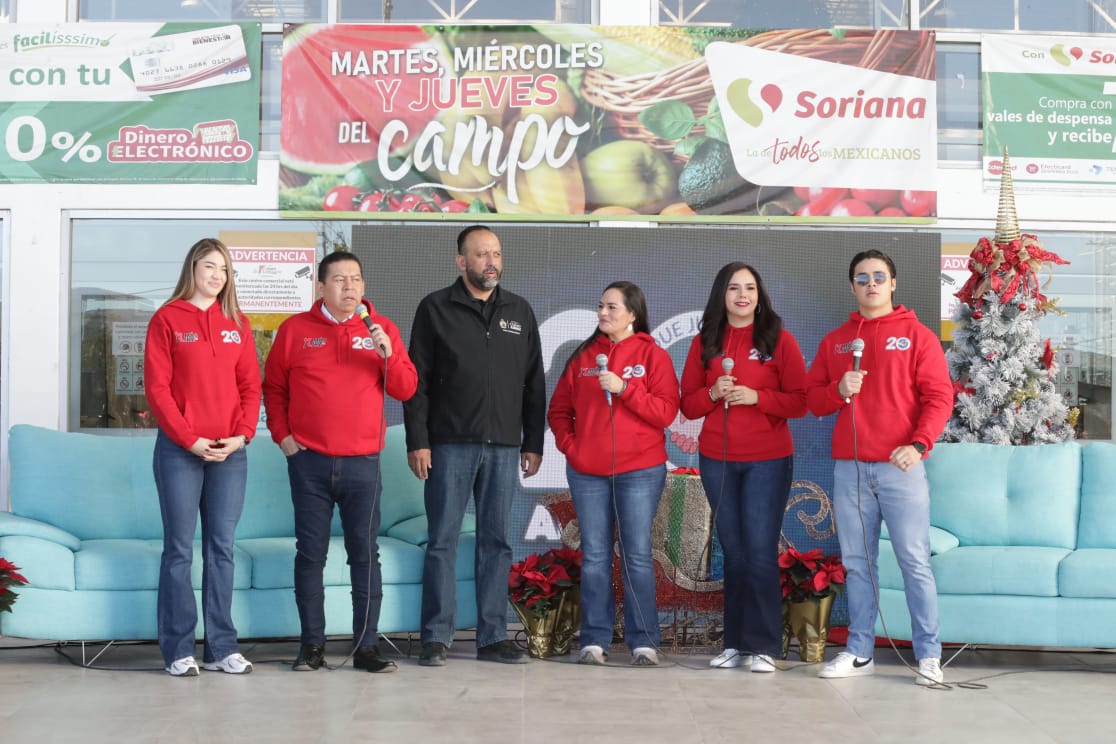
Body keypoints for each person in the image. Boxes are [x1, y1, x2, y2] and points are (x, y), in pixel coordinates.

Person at [263, 251, 417, 674]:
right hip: (309, 462)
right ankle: (311, 646)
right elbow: (273, 388)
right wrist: (282, 436)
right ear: (321, 286)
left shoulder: (381, 329)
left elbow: (406, 389)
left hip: (363, 463)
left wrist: (388, 355)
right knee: (310, 554)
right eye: (339, 280)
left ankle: (366, 647)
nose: (350, 287)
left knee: (364, 555)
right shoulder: (295, 330)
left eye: (356, 279)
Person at [805, 249, 953, 686]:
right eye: (862, 277)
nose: (871, 284)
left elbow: (939, 397)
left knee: (913, 561)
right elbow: (813, 401)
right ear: (852, 286)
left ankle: (929, 655)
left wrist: (919, 444)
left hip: (899, 467)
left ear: (893, 283)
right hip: (850, 469)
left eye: (879, 276)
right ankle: (859, 651)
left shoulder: (917, 336)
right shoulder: (836, 341)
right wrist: (838, 389)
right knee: (857, 563)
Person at [404, 225, 545, 666]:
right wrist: (418, 441)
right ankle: (435, 637)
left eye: (496, 254)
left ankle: (493, 637)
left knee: (496, 542)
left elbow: (534, 382)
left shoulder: (519, 310)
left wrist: (533, 441)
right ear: (461, 261)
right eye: (482, 254)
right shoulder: (434, 308)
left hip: (504, 445)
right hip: (448, 444)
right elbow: (416, 382)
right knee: (442, 541)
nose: (491, 262)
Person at [679, 262, 807, 673]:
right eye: (734, 288)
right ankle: (734, 642)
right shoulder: (706, 342)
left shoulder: (778, 338)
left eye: (750, 287)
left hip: (768, 458)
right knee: (733, 552)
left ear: (759, 294)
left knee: (759, 551)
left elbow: (800, 401)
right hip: (717, 459)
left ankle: (764, 645)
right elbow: (687, 404)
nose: (742, 295)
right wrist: (712, 393)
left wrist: (758, 397)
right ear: (722, 294)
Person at [144, 237, 261, 677]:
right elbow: (157, 389)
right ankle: (178, 650)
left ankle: (220, 648)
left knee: (221, 549)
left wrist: (242, 436)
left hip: (230, 453)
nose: (217, 275)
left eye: (224, 269)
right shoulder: (167, 318)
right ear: (192, 268)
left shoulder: (237, 323)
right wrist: (189, 439)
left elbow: (250, 385)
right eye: (210, 266)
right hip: (181, 452)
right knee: (179, 550)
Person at [547, 281, 680, 666]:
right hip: (588, 472)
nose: (603, 313)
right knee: (594, 556)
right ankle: (594, 640)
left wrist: (624, 388)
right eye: (601, 306)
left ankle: (644, 642)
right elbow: (558, 411)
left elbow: (665, 412)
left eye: (612, 307)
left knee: (637, 554)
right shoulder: (584, 356)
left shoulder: (653, 356)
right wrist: (573, 448)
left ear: (632, 314)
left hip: (640, 470)